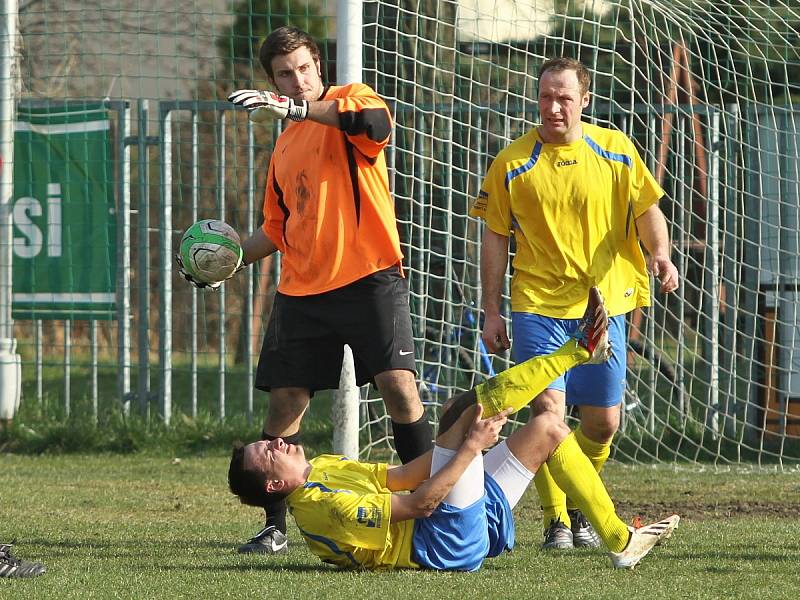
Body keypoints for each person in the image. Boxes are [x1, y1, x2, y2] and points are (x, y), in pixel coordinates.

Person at [179, 26, 433, 554]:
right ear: (270, 80)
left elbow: (375, 124)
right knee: (284, 408)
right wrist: (222, 262)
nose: (297, 81)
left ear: (319, 66)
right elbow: (276, 230)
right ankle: (275, 527)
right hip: (302, 292)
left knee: (399, 388)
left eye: (303, 69)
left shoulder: (349, 99)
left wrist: (296, 110)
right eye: (284, 75)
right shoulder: (284, 147)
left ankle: (431, 507)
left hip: (369, 277)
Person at [228, 288, 681, 571]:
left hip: (459, 522)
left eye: (268, 439)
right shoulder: (325, 509)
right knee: (459, 410)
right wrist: (466, 448)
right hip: (445, 544)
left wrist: (473, 454)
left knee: (547, 427)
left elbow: (403, 477)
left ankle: (622, 540)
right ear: (273, 483)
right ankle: (580, 350)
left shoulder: (323, 468)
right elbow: (421, 504)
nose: (278, 440)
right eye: (268, 450)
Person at [470, 56, 680, 550]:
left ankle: (574, 504)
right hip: (537, 304)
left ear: (585, 100)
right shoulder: (512, 163)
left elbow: (648, 211)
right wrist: (492, 309)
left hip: (603, 308)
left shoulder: (616, 150)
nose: (554, 107)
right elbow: (495, 237)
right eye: (546, 97)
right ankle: (558, 519)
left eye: (564, 97)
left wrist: (662, 255)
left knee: (603, 423)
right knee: (548, 414)